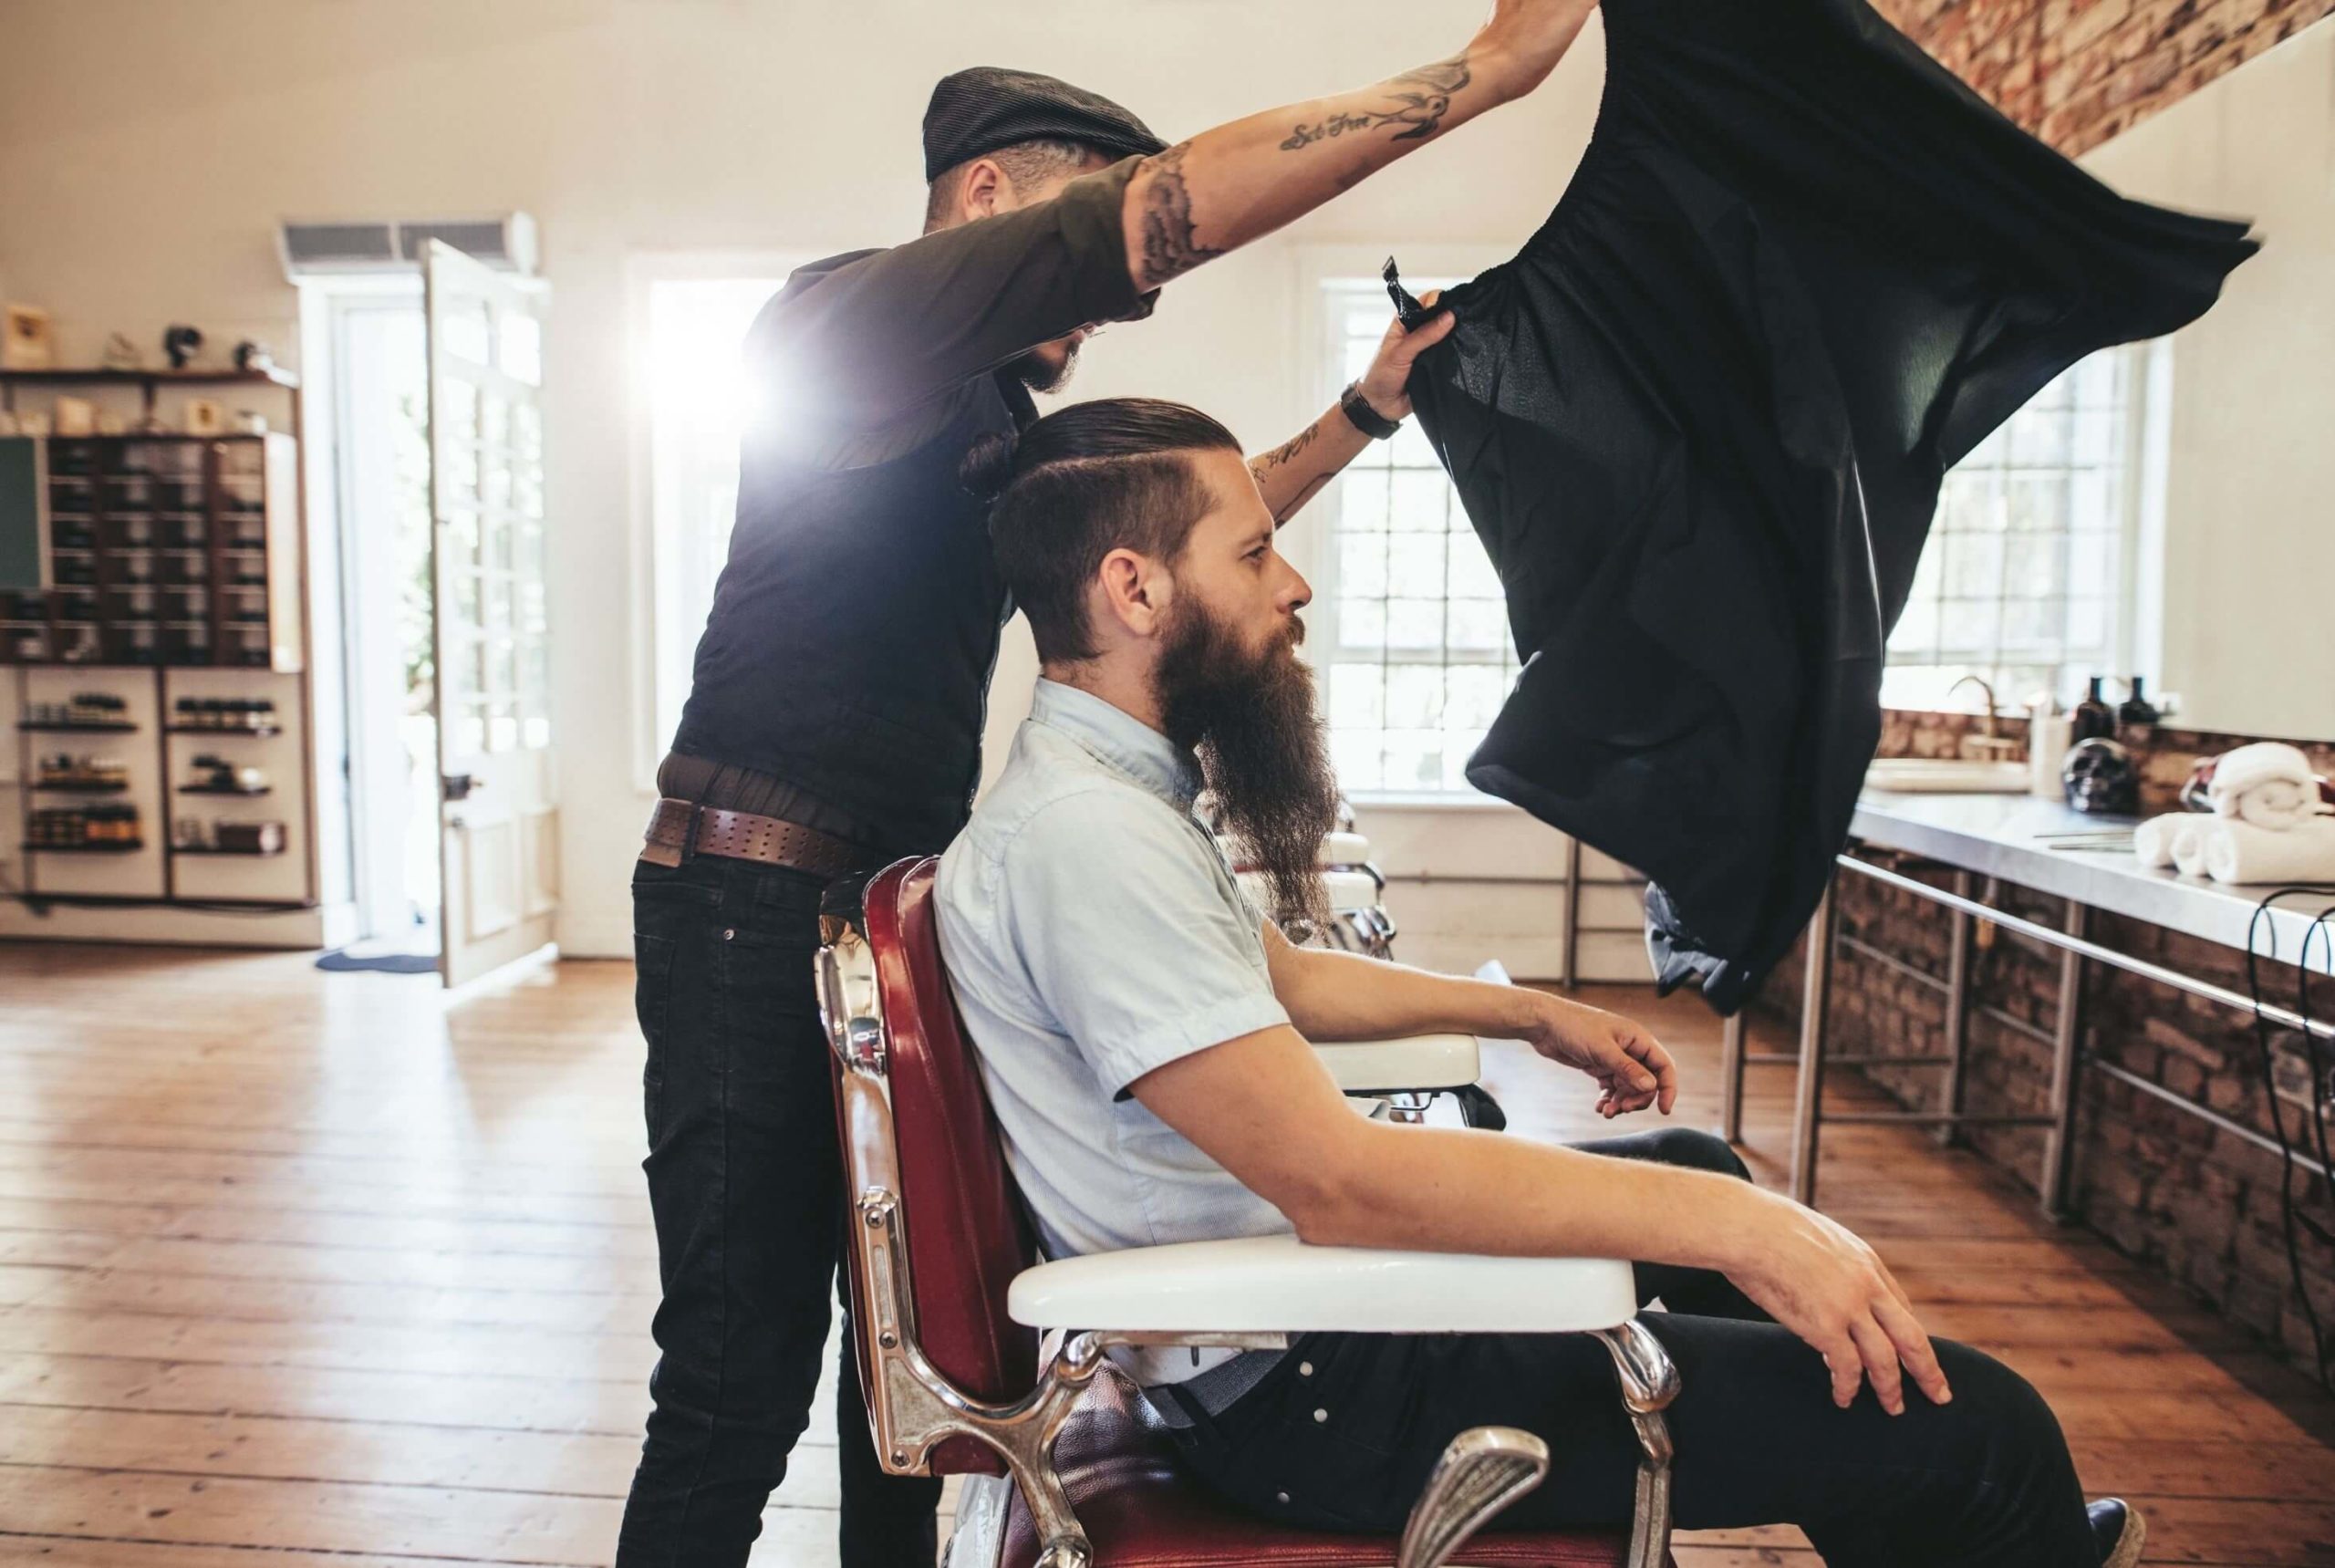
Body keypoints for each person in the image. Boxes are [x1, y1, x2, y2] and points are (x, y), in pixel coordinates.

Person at [622, 6, 1608, 1563]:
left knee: (916, 1361)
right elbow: (1157, 221)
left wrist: (1366, 408)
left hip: (875, 898)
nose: (1104, 303)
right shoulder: (846, 329)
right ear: (996, 197)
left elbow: (1165, 546)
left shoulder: (990, 422)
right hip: (749, 896)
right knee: (737, 1377)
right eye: (1085, 233)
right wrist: (1481, 81)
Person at [932, 396, 2145, 1568]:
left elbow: (1280, 981)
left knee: (1699, 1175)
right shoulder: (1088, 842)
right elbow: (1339, 1182)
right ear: (1134, 588)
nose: (1293, 585)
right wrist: (1759, 1227)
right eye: (1255, 554)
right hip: (1314, 1401)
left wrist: (1526, 1014)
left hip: (1298, 1341)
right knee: (1985, 1428)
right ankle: (1960, 1497)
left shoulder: (1107, 798)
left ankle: (1910, 1507)